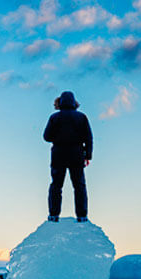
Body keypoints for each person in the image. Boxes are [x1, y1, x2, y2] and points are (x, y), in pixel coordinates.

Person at [43, 91, 93, 222]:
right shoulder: (82, 117)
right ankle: (82, 216)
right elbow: (88, 138)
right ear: (74, 102)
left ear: (60, 102)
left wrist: (59, 137)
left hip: (58, 153)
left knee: (56, 185)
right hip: (76, 153)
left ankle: (53, 215)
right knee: (79, 185)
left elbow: (46, 137)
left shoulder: (54, 117)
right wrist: (88, 155)